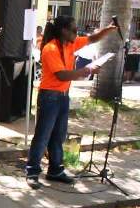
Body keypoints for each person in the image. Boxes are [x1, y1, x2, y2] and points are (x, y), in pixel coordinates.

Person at [26, 16, 117, 189]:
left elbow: (92, 39)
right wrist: (87, 69)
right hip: (49, 96)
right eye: (74, 30)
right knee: (43, 136)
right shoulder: (51, 48)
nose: (77, 33)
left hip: (62, 95)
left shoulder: (71, 43)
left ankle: (55, 170)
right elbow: (62, 75)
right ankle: (32, 171)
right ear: (63, 31)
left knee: (59, 135)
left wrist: (108, 29)